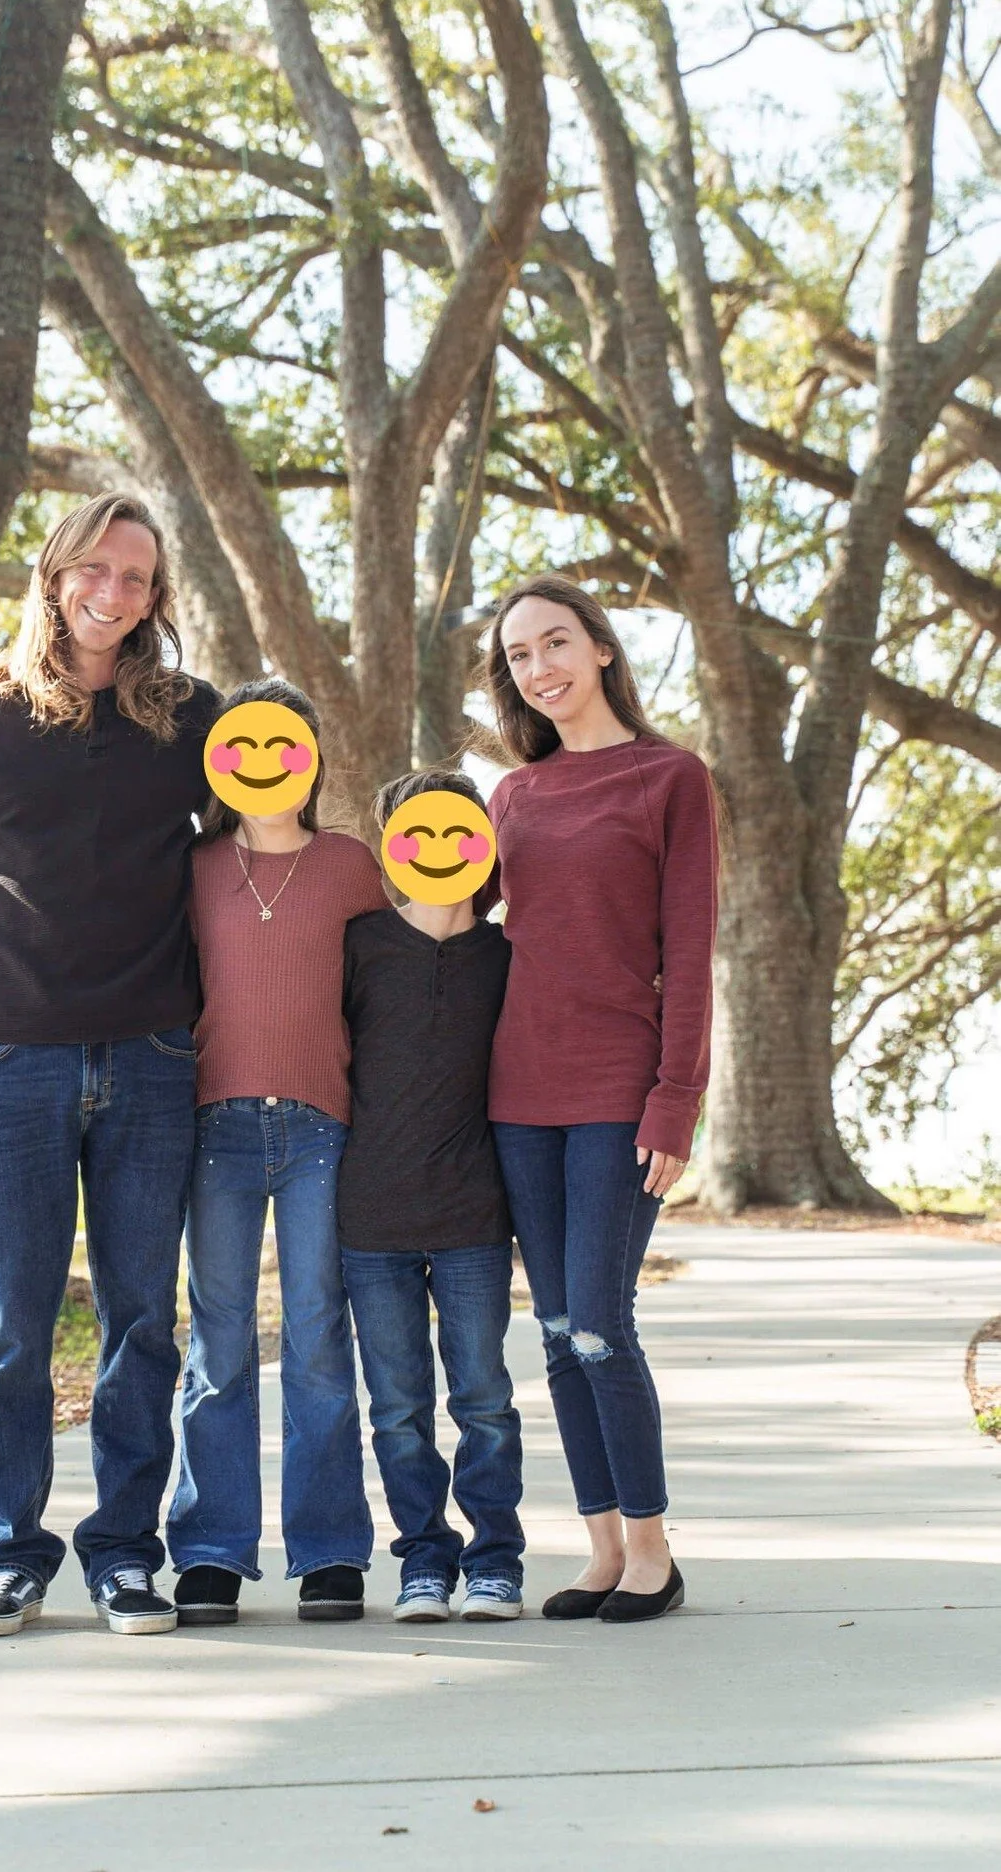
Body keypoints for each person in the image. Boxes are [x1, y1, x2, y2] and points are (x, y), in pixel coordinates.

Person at [0, 493, 220, 1638]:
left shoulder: (190, 715)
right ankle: (7, 1551)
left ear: (156, 596)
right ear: (54, 573)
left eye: (136, 578)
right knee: (11, 1322)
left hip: (156, 1057)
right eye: (95, 569)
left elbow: (249, 864)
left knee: (143, 1322)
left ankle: (126, 1550)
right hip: (17, 1061)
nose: (113, 594)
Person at [484, 573, 718, 1624]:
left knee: (600, 1324)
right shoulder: (512, 795)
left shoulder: (671, 778)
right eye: (520, 656)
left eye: (555, 642)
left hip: (620, 1088)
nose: (540, 667)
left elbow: (692, 951)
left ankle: (657, 1553)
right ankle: (602, 1546)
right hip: (516, 1089)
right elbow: (465, 923)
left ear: (603, 648)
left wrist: (677, 1100)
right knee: (555, 1327)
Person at [167, 677, 386, 1625]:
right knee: (216, 1346)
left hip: (320, 1131)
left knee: (316, 1340)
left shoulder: (352, 865)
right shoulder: (193, 865)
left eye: (285, 740)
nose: (266, 761)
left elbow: (391, 993)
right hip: (212, 1128)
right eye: (246, 743)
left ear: (309, 753)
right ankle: (212, 1550)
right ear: (221, 759)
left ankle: (329, 1551)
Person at [339, 769, 524, 1623]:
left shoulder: (508, 956)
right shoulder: (361, 945)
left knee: (482, 1397)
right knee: (399, 1407)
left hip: (472, 1220)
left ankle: (494, 1560)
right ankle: (422, 1560)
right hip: (370, 1220)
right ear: (392, 846)